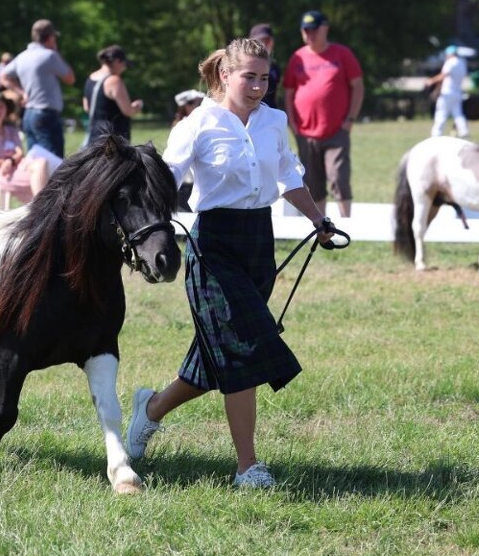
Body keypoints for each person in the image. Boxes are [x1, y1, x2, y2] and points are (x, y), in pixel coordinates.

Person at [125, 38, 336, 488]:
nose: (258, 87)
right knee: (244, 347)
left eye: (264, 78)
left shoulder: (274, 121)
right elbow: (165, 182)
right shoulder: (196, 124)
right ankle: (248, 467)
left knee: (218, 357)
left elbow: (288, 177)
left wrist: (319, 220)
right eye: (249, 77)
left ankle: (151, 409)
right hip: (213, 247)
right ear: (225, 75)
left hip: (259, 243)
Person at [283, 10, 363, 218]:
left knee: (339, 176)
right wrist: (293, 123)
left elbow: (358, 86)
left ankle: (346, 224)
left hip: (336, 130)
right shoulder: (297, 58)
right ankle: (321, 227)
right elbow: (289, 93)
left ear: (325, 29)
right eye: (305, 30)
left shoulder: (342, 54)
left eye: (314, 30)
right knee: (313, 182)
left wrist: (350, 120)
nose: (309, 34)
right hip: (306, 133)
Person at [0, 19, 75, 158]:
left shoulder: (22, 56)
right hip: (47, 115)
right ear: (51, 37)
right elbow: (70, 78)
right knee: (54, 162)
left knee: (34, 161)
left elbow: (3, 76)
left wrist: (21, 93)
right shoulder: (50, 55)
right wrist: (56, 52)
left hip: (28, 115)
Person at [0, 90, 51, 204]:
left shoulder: (11, 131)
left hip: (16, 168)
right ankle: (42, 207)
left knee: (42, 163)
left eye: (1, 107)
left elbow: (19, 153)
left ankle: (39, 207)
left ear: (6, 109)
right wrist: (4, 163)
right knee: (39, 179)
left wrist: (11, 161)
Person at [83, 45, 142, 144]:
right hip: (114, 140)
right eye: (124, 65)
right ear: (117, 61)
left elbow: (87, 107)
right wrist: (137, 106)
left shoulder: (91, 78)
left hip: (94, 135)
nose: (124, 69)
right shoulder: (114, 80)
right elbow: (127, 111)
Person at [425, 45, 469, 138]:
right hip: (458, 92)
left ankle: (436, 133)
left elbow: (443, 75)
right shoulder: (462, 63)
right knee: (458, 114)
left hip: (447, 92)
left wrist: (431, 81)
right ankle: (463, 131)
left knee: (441, 113)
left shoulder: (450, 62)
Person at [248, 24, 281, 107]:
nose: (264, 44)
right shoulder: (245, 66)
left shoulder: (275, 67)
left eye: (267, 40)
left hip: (270, 112)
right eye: (260, 41)